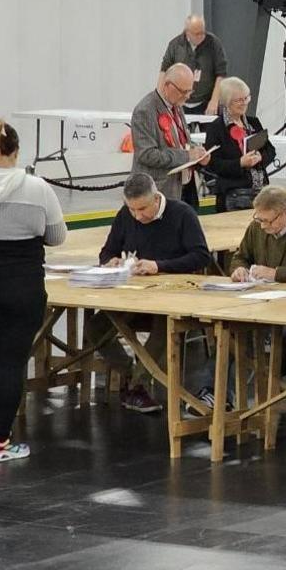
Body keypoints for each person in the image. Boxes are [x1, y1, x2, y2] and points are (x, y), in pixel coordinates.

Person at [0, 120, 66, 462]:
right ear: (17, 151)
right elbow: (57, 236)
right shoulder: (37, 188)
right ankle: (0, 442)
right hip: (20, 287)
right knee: (9, 364)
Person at [89, 172, 213, 413]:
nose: (138, 215)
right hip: (132, 297)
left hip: (171, 299)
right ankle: (131, 377)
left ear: (156, 198)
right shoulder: (126, 215)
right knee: (96, 328)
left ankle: (137, 386)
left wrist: (159, 266)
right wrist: (111, 261)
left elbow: (200, 256)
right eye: (132, 209)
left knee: (162, 328)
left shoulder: (182, 214)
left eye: (142, 209)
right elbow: (107, 251)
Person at [131, 64, 211, 208]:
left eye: (190, 90)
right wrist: (187, 156)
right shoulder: (145, 110)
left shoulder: (176, 105)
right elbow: (146, 154)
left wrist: (198, 154)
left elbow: (182, 141)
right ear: (167, 85)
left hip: (183, 188)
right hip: (158, 193)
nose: (187, 96)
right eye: (183, 91)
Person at [203, 76, 275, 210]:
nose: (244, 103)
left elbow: (271, 150)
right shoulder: (216, 128)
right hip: (234, 195)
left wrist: (260, 157)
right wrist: (240, 163)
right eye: (238, 100)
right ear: (226, 101)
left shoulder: (253, 123)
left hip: (261, 193)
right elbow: (213, 164)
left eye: (246, 98)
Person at [159, 14, 228, 115]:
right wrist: (161, 100)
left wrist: (214, 101)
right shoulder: (175, 45)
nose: (201, 36)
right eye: (197, 34)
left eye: (203, 32)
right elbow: (164, 71)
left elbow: (221, 74)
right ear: (187, 32)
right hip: (179, 102)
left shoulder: (214, 43)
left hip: (206, 100)